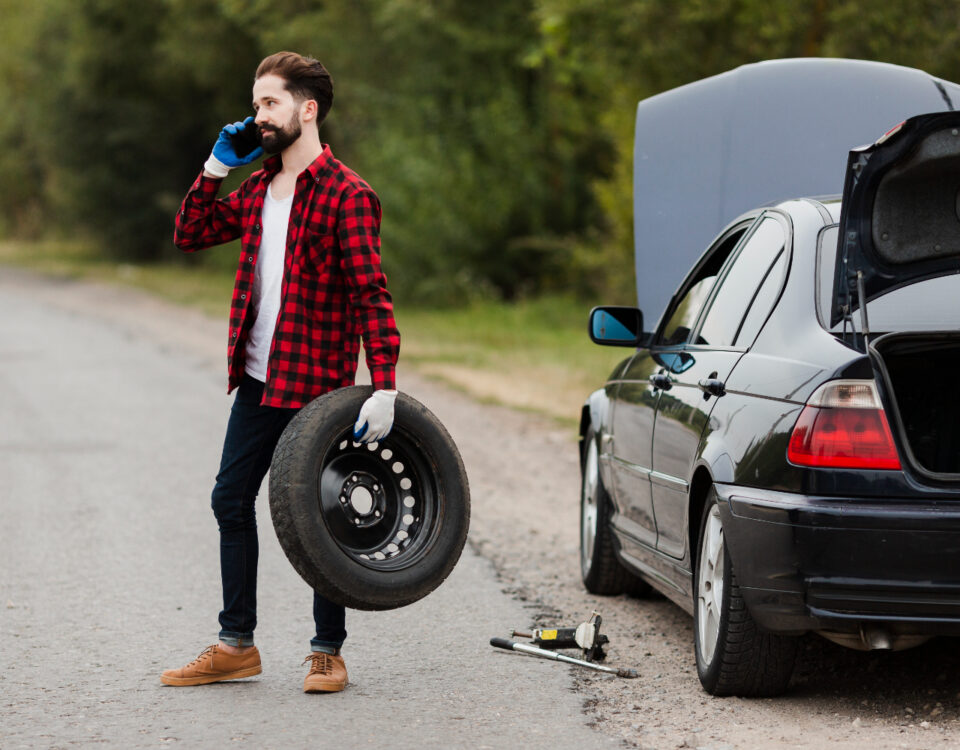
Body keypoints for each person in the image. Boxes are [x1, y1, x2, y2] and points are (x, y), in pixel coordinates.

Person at [162, 51, 400, 694]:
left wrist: (383, 384)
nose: (256, 115)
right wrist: (216, 166)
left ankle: (328, 651)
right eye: (256, 103)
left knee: (319, 515)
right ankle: (236, 644)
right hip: (261, 379)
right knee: (230, 500)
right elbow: (189, 233)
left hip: (320, 388)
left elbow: (370, 294)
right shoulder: (261, 186)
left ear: (308, 108)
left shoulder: (349, 195)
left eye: (269, 103)